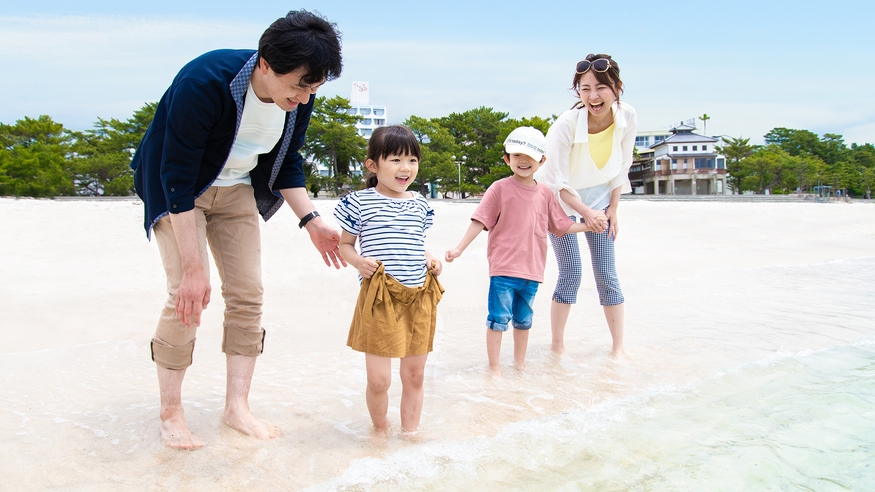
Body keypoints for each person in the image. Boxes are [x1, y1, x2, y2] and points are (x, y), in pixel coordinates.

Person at [130, 10, 345, 449]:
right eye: (299, 85)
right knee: (187, 293)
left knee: (248, 294)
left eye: (314, 88)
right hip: (179, 192)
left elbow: (287, 161)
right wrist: (195, 268)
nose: (305, 97)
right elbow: (177, 175)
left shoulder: (301, 95)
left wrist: (312, 221)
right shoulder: (204, 81)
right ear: (265, 64)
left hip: (237, 190)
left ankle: (237, 407)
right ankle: (171, 412)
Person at [444, 127, 606, 376]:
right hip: (503, 268)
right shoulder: (499, 188)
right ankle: (495, 369)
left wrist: (589, 225)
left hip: (532, 270)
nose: (523, 160)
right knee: (498, 319)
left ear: (542, 161)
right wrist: (459, 248)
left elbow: (561, 225)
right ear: (506, 159)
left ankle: (520, 365)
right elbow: (480, 219)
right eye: (517, 155)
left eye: (530, 156)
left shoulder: (545, 193)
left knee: (524, 321)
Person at [333, 125, 444, 435]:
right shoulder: (359, 202)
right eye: (395, 160)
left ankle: (410, 434)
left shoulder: (420, 204)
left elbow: (416, 244)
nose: (405, 168)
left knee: (415, 376)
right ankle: (380, 431)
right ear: (373, 165)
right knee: (379, 380)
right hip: (380, 296)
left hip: (418, 295)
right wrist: (358, 262)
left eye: (412, 160)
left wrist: (431, 260)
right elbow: (345, 245)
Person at [534, 54, 637, 358]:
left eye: (601, 87)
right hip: (560, 201)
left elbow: (623, 165)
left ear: (617, 87)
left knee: (607, 273)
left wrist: (613, 209)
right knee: (571, 271)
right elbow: (556, 182)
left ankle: (618, 348)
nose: (593, 96)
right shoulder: (565, 125)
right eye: (585, 89)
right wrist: (586, 213)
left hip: (601, 197)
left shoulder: (627, 116)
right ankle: (557, 346)